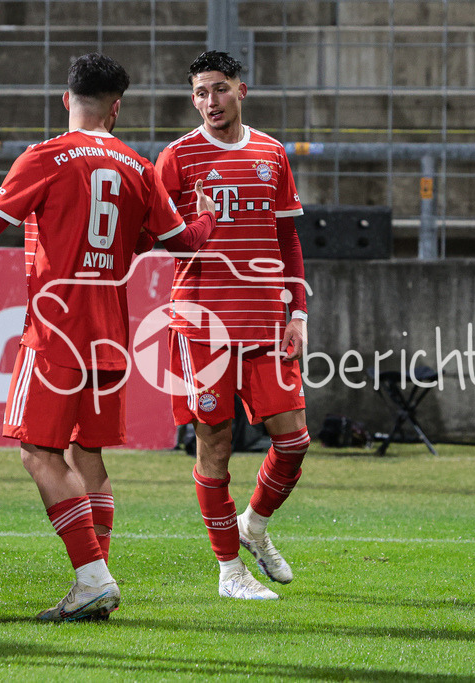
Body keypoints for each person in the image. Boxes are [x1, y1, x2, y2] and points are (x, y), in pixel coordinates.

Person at [0, 52, 216, 621]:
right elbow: (182, 243)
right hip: (111, 332)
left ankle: (93, 578)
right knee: (89, 452)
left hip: (56, 330)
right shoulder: (139, 167)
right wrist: (205, 217)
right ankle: (95, 583)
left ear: (67, 100)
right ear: (116, 108)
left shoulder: (46, 157)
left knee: (37, 450)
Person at [152, 50, 311, 600]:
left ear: (242, 89)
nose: (209, 102)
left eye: (219, 89)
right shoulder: (176, 158)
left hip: (268, 321)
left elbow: (288, 240)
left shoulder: (271, 153)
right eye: (199, 92)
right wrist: (191, 227)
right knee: (215, 447)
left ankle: (254, 527)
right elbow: (154, 234)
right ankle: (229, 572)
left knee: (293, 441)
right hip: (204, 328)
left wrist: (298, 312)